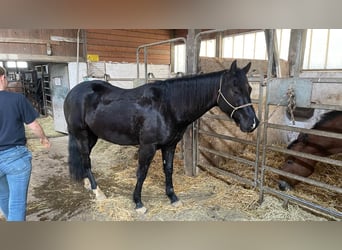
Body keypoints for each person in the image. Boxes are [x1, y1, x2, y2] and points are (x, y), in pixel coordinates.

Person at [0, 66, 51, 221]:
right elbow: (33, 125)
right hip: (15, 157)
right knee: (16, 203)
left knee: (3, 196)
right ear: (2, 78)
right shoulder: (17, 99)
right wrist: (43, 138)